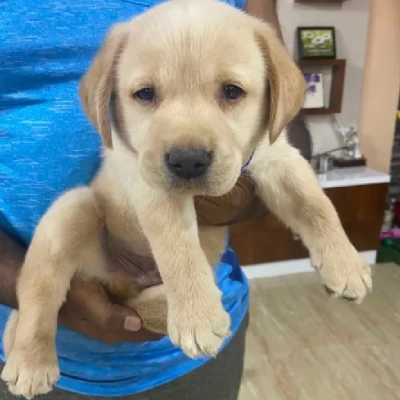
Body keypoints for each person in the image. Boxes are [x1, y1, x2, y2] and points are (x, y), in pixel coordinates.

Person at [0, 0, 303, 399]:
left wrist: (251, 190)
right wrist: (26, 289)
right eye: (145, 93)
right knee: (72, 213)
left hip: (195, 343)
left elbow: (283, 117)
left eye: (229, 91)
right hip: (30, 345)